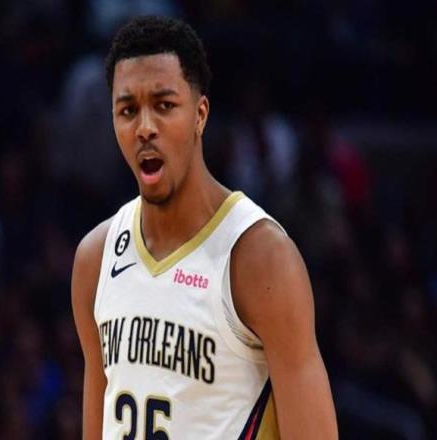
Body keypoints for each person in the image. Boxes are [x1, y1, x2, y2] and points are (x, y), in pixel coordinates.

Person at [71, 16, 338, 439]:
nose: (144, 128)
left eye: (164, 105)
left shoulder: (260, 258)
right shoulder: (95, 258)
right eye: (127, 110)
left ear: (200, 114)